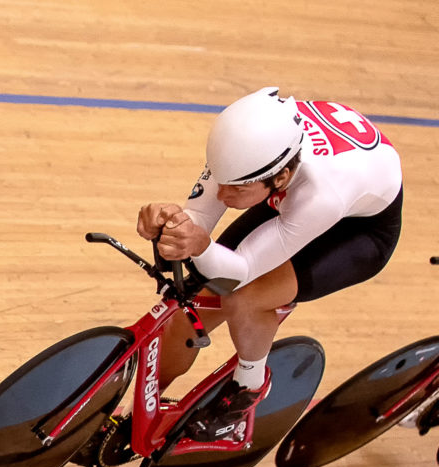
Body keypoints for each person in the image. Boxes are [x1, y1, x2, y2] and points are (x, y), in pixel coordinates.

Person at [136, 87, 403, 442]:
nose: (223, 195)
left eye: (236, 190)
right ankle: (137, 412)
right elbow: (200, 214)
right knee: (192, 305)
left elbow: (241, 269)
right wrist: (173, 223)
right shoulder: (247, 148)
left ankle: (247, 390)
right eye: (221, 180)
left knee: (244, 297)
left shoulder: (321, 194)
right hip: (293, 193)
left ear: (280, 178)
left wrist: (198, 244)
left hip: (357, 231)